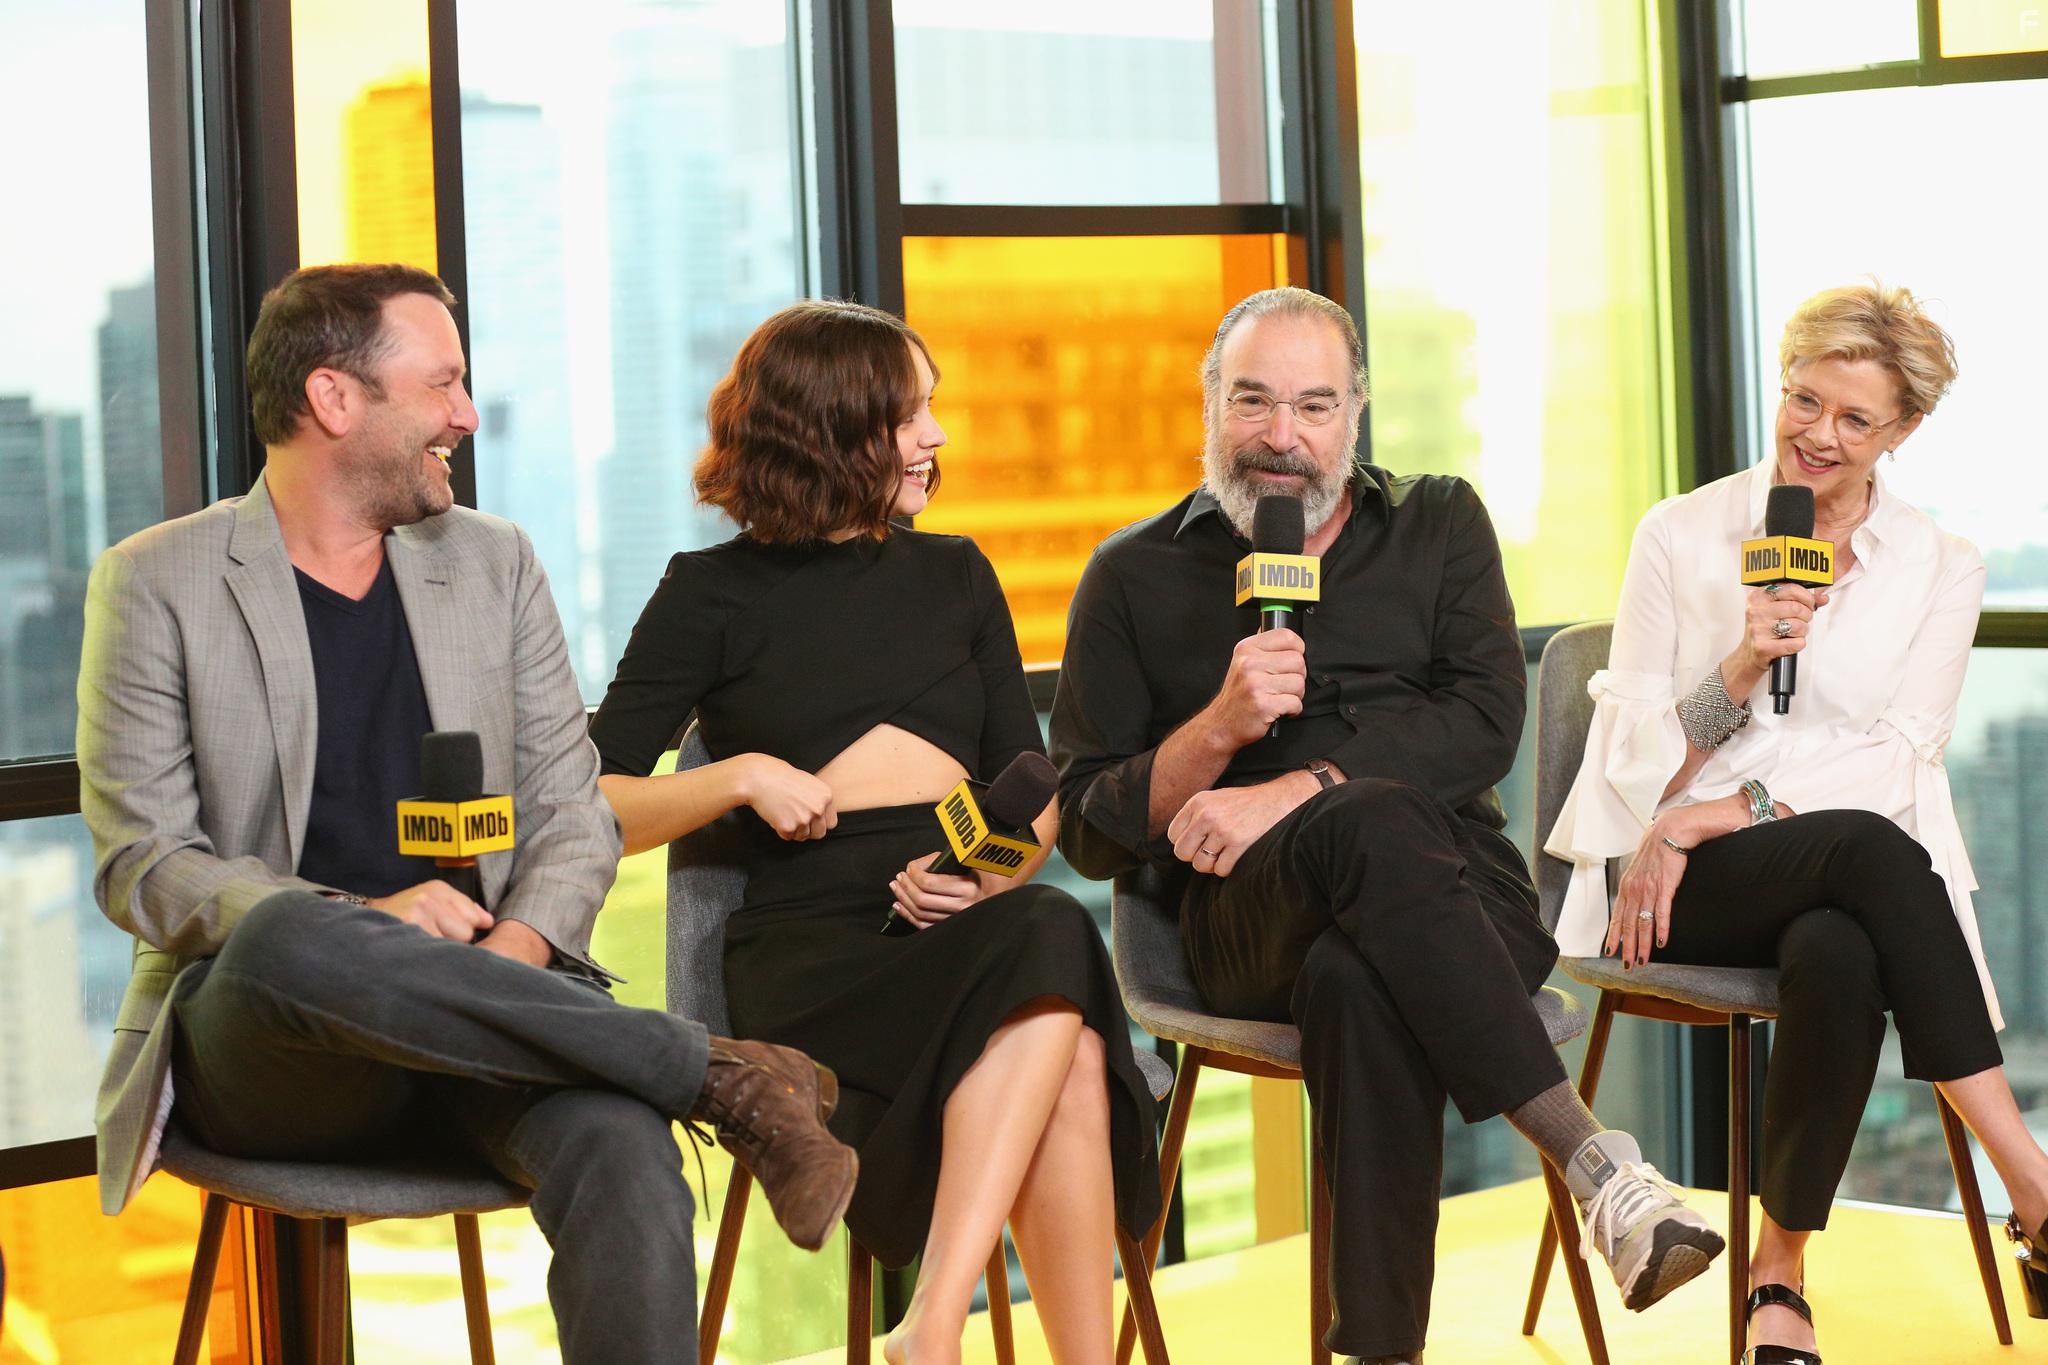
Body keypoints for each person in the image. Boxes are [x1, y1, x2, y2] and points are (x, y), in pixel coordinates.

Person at [77, 263, 856, 1365]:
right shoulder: (157, 582)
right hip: (277, 1050)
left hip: (500, 1026)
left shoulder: (494, 565)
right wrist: (366, 917)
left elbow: (570, 809)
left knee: (627, 1145)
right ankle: (710, 1072)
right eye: (440, 385)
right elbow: (142, 862)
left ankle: (682, 1082)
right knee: (293, 929)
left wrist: (521, 948)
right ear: (335, 400)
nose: (466, 416)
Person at [1051, 286, 1724, 1364]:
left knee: (1358, 975)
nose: (1282, 438)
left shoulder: (1438, 522)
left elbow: (1482, 722)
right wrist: (1219, 731)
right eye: (1253, 402)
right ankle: (1596, 1165)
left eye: (1313, 407)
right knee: (1359, 838)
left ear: (1354, 413)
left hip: (1460, 893)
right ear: (1209, 404)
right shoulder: (1130, 575)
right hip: (1238, 922)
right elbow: (1086, 829)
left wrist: (1294, 786)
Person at [589, 299, 1161, 1365]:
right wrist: (741, 780)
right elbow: (596, 806)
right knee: (1061, 988)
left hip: (963, 927)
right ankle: (940, 1324)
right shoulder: (707, 594)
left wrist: (985, 882)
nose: (936, 437)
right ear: (830, 427)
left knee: (1064, 1011)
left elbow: (1026, 796)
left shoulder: (956, 574)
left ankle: (932, 1323)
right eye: (911, 414)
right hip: (810, 955)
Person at [1547, 280, 2048, 1363]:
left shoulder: (1937, 565)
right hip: (1667, 892)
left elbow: (1896, 755)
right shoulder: (1679, 536)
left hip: (1800, 872)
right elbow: (1633, 760)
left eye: (1853, 418)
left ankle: (1777, 1274)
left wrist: (1722, 809)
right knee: (1868, 852)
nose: (1817, 435)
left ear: (1902, 430)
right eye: (1802, 400)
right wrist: (1738, 661)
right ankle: (2036, 1187)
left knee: (1838, 939)